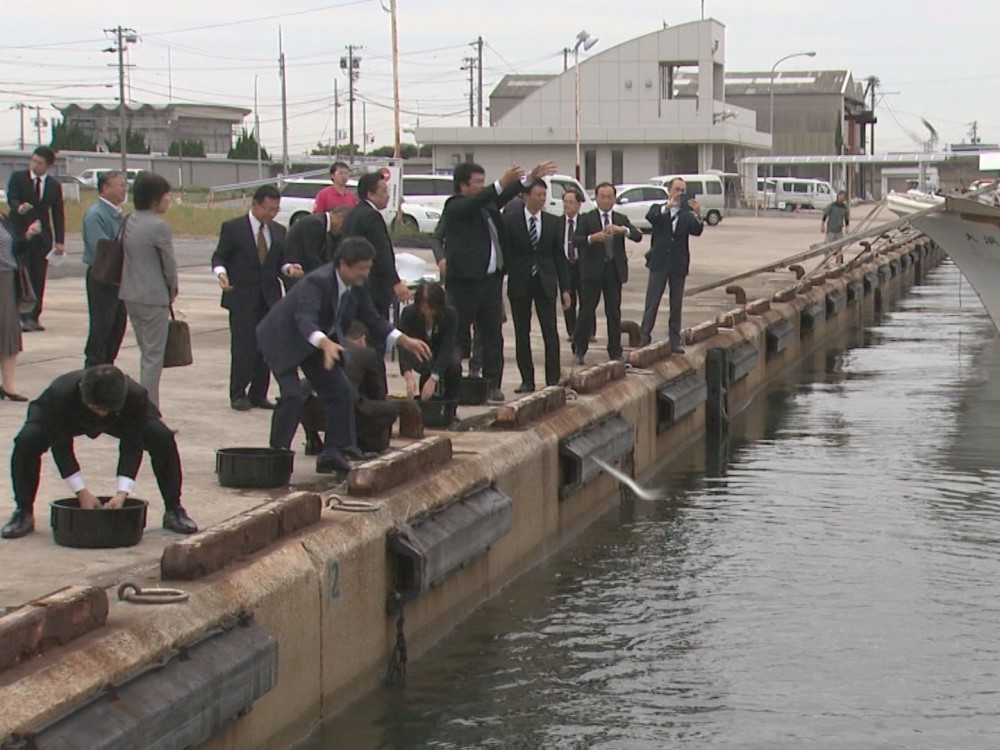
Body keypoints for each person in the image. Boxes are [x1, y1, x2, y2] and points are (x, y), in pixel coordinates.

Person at [256, 237, 431, 474]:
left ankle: (332, 452)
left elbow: (373, 319)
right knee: (292, 395)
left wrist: (403, 340)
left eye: (368, 268)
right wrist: (325, 342)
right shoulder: (317, 283)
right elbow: (304, 319)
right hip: (284, 339)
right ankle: (277, 454)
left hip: (320, 343)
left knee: (341, 391)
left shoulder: (356, 286)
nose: (365, 274)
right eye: (362, 269)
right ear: (343, 265)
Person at [0, 365, 197, 539]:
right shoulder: (59, 393)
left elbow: (132, 443)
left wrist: (122, 492)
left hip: (118, 418)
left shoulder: (135, 396)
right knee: (27, 440)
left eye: (106, 410)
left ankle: (174, 509)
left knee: (161, 436)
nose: (100, 415)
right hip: (67, 416)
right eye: (97, 408)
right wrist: (81, 491)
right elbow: (61, 446)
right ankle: (23, 511)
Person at [441, 160, 555, 402]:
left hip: (490, 283)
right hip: (464, 284)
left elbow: (500, 198)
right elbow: (479, 200)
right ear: (463, 185)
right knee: (459, 335)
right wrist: (500, 183)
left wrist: (527, 179)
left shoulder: (486, 207)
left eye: (484, 182)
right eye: (478, 183)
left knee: (493, 335)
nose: (482, 187)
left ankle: (493, 384)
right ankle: (454, 383)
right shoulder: (456, 206)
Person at [211, 185, 292, 411]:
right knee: (243, 347)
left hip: (269, 298)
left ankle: (259, 394)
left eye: (276, 210)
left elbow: (280, 263)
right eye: (268, 209)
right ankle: (238, 392)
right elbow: (219, 257)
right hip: (242, 297)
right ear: (255, 204)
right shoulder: (233, 228)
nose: (272, 214)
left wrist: (288, 269)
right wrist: (221, 274)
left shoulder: (278, 231)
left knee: (265, 347)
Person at [502, 180, 570, 392]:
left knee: (550, 331)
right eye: (538, 194)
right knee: (522, 333)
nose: (542, 199)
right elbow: (506, 252)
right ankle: (527, 380)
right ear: (526, 196)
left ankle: (553, 378)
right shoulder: (510, 221)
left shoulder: (553, 222)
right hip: (520, 282)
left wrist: (565, 288)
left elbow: (560, 257)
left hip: (545, 281)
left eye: (544, 195)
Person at [301, 322, 403, 456]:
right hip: (340, 413)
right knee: (390, 409)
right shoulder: (367, 354)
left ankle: (312, 440)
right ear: (362, 338)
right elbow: (377, 394)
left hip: (309, 411)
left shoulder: (324, 347)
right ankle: (359, 443)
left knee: (309, 392)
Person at [119, 172, 178, 408]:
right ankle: (148, 408)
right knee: (154, 357)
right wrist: (172, 289)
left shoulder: (128, 220)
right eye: (166, 196)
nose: (168, 201)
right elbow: (169, 266)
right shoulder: (158, 226)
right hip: (153, 296)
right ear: (155, 200)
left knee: (146, 353)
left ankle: (144, 403)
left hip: (130, 293)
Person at [572, 182, 642, 363]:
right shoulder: (586, 218)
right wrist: (592, 238)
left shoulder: (620, 218)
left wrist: (623, 230)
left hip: (613, 271)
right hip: (592, 271)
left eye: (609, 197)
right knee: (587, 310)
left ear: (614, 198)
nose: (605, 200)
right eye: (602, 197)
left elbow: (637, 235)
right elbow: (576, 240)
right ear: (596, 198)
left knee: (613, 311)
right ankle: (580, 348)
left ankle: (615, 350)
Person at [639, 177, 705, 351]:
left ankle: (674, 340)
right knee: (652, 301)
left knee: (676, 304)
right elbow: (650, 217)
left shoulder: (686, 213)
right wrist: (667, 206)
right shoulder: (659, 209)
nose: (679, 194)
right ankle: (644, 337)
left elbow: (696, 231)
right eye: (676, 189)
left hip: (678, 263)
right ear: (669, 190)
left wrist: (698, 214)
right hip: (659, 261)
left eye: (682, 190)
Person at [5, 145, 65, 331]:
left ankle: (34, 315)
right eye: (33, 160)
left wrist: (60, 240)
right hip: (20, 235)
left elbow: (58, 213)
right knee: (22, 274)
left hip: (42, 238)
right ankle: (21, 315)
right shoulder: (19, 178)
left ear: (47, 165)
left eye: (39, 163)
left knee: (39, 276)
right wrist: (19, 207)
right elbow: (12, 198)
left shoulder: (54, 186)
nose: (34, 165)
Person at [340, 171, 410, 324]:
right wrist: (395, 282)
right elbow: (381, 252)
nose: (388, 196)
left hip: (352, 283)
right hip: (373, 286)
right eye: (384, 191)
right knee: (375, 329)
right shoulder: (372, 216)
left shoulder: (352, 214)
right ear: (370, 194)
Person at [82, 170, 127, 368]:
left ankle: (107, 368)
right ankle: (93, 369)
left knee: (117, 327)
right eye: (120, 186)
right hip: (102, 278)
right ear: (105, 188)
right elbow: (102, 249)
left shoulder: (117, 214)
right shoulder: (95, 215)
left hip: (118, 279)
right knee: (102, 326)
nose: (124, 190)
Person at [0, 213, 42, 401]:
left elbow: (16, 248)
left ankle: (8, 385)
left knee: (9, 330)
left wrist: (28, 235)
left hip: (7, 278)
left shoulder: (3, 219)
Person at [396, 281, 461, 401]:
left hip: (443, 348)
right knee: (424, 360)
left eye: (432, 308)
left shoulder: (450, 314)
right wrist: (408, 375)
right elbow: (403, 345)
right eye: (424, 307)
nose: (428, 312)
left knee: (453, 365)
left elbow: (447, 346)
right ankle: (425, 402)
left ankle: (451, 405)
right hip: (420, 349)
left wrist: (434, 377)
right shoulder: (409, 314)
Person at [284, 204, 350, 288]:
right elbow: (311, 255)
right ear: (340, 217)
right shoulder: (315, 223)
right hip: (296, 269)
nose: (343, 230)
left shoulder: (325, 226)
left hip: (306, 270)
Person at [559, 188, 583, 343]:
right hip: (565, 265)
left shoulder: (585, 222)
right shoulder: (557, 223)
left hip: (582, 264)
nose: (567, 205)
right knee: (568, 298)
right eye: (565, 202)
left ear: (579, 204)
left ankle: (587, 330)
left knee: (586, 299)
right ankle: (572, 331)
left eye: (571, 202)